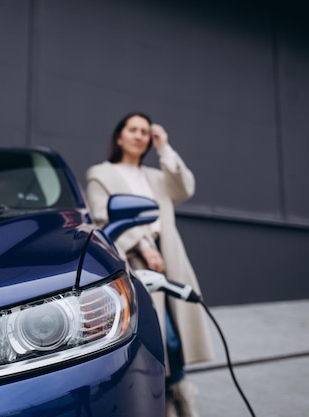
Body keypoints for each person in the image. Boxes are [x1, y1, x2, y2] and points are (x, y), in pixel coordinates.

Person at [85, 112, 214, 417]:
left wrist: (165, 149)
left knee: (178, 330)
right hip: (131, 256)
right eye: (133, 130)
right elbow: (103, 216)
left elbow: (184, 188)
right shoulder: (101, 173)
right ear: (119, 136)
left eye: (145, 131)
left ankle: (174, 398)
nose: (140, 136)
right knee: (160, 333)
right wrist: (142, 245)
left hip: (168, 252)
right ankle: (177, 396)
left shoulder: (157, 177)